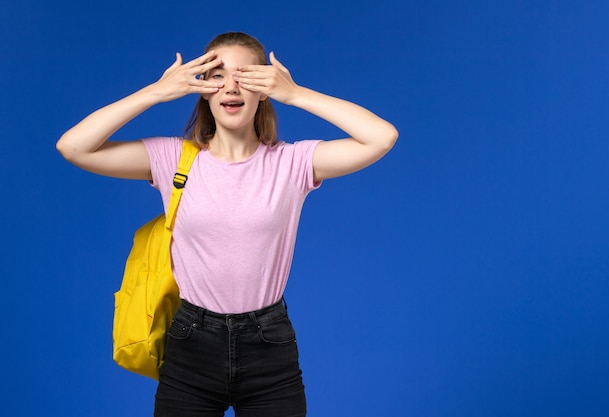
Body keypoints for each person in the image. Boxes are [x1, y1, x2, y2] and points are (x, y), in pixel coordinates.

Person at [56, 31, 398, 417]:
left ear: (263, 88)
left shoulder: (292, 163)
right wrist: (156, 91)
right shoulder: (173, 159)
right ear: (201, 87)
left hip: (270, 346)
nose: (231, 86)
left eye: (246, 76)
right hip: (190, 343)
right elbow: (73, 146)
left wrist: (296, 93)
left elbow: (381, 138)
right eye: (217, 75)